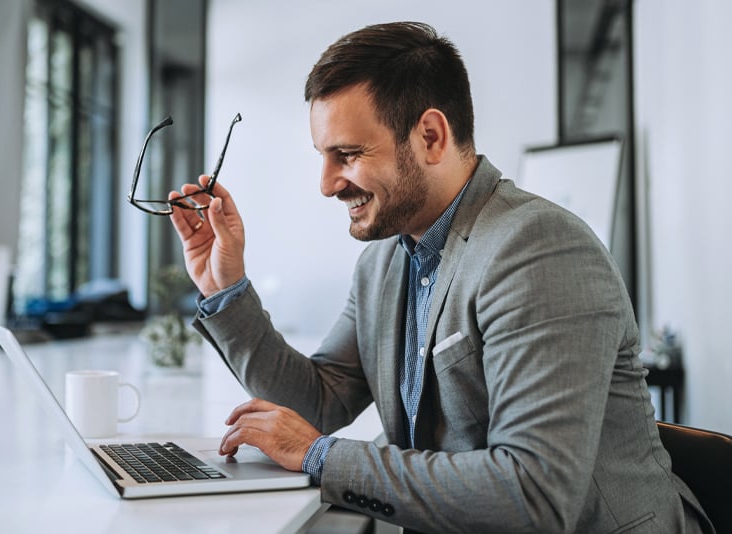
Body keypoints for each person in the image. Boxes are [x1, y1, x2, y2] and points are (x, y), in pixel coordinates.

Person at [168, 21, 710, 534]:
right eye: (323, 157)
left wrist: (319, 456)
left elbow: (536, 495)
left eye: (348, 155)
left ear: (430, 136)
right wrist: (226, 286)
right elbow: (320, 399)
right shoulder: (385, 260)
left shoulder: (538, 248)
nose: (327, 184)